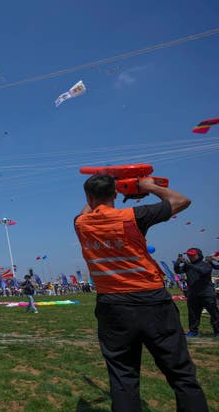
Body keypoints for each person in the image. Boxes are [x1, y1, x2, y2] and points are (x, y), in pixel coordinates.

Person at [74, 174, 208, 412]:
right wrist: (148, 186)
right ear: (115, 195)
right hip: (151, 301)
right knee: (181, 374)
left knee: (123, 378)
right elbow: (182, 200)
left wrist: (105, 186)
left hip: (112, 306)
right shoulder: (133, 216)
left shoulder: (81, 223)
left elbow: (88, 209)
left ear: (88, 197)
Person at [175, 248, 219, 337]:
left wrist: (189, 264)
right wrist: (177, 262)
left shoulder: (206, 264)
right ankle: (193, 331)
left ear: (199, 255)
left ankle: (217, 331)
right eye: (188, 255)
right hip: (193, 294)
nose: (190, 256)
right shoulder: (188, 265)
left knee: (214, 313)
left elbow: (201, 271)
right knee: (193, 314)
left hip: (207, 293)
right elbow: (177, 271)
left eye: (192, 255)